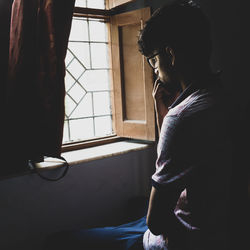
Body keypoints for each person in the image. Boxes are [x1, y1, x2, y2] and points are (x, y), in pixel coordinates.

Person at [138, 1, 232, 250]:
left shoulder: (182, 117)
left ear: (170, 55)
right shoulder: (226, 96)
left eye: (154, 60)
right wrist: (163, 116)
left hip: (186, 238)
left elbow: (156, 222)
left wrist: (170, 118)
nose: (155, 69)